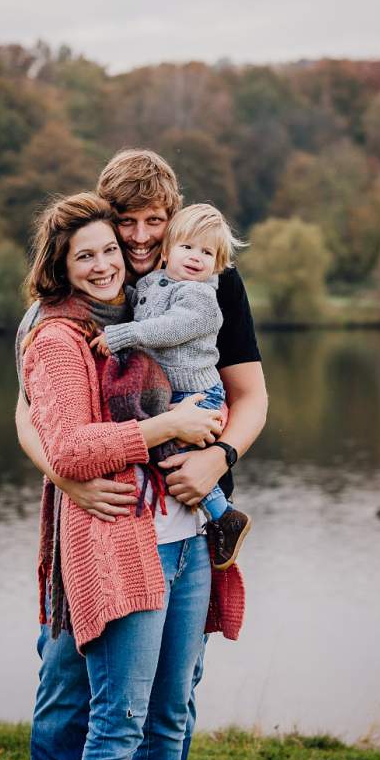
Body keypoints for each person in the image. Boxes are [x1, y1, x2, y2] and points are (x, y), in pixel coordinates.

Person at [19, 149, 267, 760]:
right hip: (106, 525)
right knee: (71, 701)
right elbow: (31, 420)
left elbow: (252, 396)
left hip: (188, 515)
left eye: (152, 220)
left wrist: (221, 457)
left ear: (172, 215)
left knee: (170, 707)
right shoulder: (68, 306)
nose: (137, 237)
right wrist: (68, 477)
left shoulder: (208, 280)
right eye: (124, 221)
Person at [94, 202, 252, 569]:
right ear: (167, 252)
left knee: (172, 454)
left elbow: (170, 327)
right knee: (160, 448)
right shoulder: (152, 282)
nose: (196, 258)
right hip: (169, 392)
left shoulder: (200, 296)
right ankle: (212, 515)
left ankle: (222, 513)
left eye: (207, 253)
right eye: (187, 248)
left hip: (196, 394)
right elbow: (131, 305)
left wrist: (124, 334)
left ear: (218, 264)